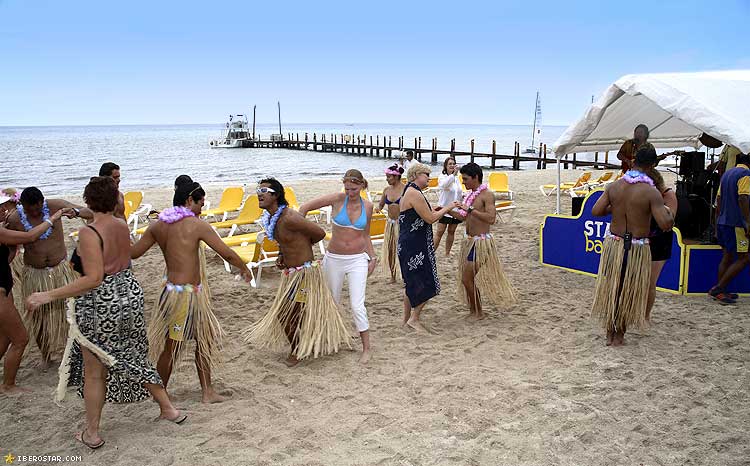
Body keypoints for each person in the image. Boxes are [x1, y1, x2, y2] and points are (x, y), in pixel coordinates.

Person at [25, 177, 185, 450]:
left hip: (103, 303)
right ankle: (169, 410)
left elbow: (93, 279)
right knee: (132, 354)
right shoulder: (121, 225)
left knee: (95, 370)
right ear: (114, 200)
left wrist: (47, 295)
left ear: (88, 201)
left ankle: (93, 433)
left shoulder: (90, 232)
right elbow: (127, 259)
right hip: (129, 294)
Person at [131, 181, 251, 403]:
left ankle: (207, 392)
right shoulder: (196, 225)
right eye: (201, 204)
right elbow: (227, 253)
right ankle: (160, 395)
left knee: (204, 339)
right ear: (189, 201)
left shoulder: (158, 225)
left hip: (176, 292)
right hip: (183, 298)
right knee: (172, 347)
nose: (202, 209)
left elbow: (134, 253)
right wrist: (244, 268)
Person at [243, 178, 350, 367]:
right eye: (258, 189)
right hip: (291, 273)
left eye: (264, 190)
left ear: (275, 195)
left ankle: (298, 350)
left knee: (286, 314)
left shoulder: (290, 217)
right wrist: (282, 253)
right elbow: (286, 240)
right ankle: (303, 345)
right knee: (293, 314)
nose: (259, 193)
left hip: (305, 274)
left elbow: (319, 233)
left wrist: (302, 249)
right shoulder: (272, 218)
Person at [591, 147, 674, 346]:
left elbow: (597, 210)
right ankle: (620, 336)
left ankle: (610, 333)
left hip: (614, 243)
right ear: (653, 165)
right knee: (629, 290)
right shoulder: (651, 192)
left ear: (633, 161)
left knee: (614, 288)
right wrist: (667, 211)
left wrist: (619, 207)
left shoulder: (614, 186)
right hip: (636, 247)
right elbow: (665, 224)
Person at [4, 187, 93, 367]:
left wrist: (75, 211)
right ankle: (46, 356)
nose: (36, 212)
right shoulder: (14, 219)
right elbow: (10, 244)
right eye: (31, 210)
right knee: (38, 317)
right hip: (34, 273)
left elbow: (89, 212)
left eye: (38, 208)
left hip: (60, 269)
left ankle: (74, 354)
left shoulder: (55, 206)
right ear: (23, 206)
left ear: (42, 202)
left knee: (70, 312)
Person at [299, 169, 376, 364]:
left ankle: (366, 348)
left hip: (358, 258)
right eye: (347, 188)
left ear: (362, 185)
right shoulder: (336, 199)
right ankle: (331, 337)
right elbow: (304, 208)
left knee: (357, 305)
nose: (350, 192)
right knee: (332, 301)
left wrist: (373, 257)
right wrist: (302, 237)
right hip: (334, 259)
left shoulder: (368, 206)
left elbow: (365, 234)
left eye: (354, 188)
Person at [0, 193, 64, 393]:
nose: (4, 210)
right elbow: (30, 237)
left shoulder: (3, 229)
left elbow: (9, 256)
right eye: (1, 207)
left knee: (5, 337)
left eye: (6, 206)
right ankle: (8, 385)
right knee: (20, 338)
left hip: (4, 287)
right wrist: (52, 219)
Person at [448, 162, 516, 321]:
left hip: (481, 243)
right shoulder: (471, 195)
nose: (463, 182)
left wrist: (470, 209)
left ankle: (478, 311)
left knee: (466, 278)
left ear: (476, 177)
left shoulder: (487, 195)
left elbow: (491, 219)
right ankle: (474, 310)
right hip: (469, 242)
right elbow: (464, 217)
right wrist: (447, 210)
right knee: (467, 279)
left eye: (465, 179)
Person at [398, 163, 459, 332]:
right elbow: (431, 219)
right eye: (426, 175)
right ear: (416, 175)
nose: (429, 178)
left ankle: (406, 321)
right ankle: (414, 318)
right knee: (427, 281)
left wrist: (435, 208)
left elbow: (420, 212)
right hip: (415, 244)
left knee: (410, 282)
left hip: (408, 243)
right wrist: (448, 207)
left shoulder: (410, 191)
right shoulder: (414, 193)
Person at [709, 152, 750, 304]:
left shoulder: (727, 174)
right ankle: (719, 288)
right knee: (745, 258)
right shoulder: (746, 174)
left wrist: (717, 221)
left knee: (727, 256)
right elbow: (743, 197)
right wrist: (748, 222)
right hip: (737, 223)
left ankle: (721, 292)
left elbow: (718, 200)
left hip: (723, 221)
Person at [645, 173, 678, 322]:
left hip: (660, 241)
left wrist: (656, 207)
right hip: (645, 239)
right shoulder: (649, 195)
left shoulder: (668, 194)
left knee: (650, 282)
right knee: (641, 280)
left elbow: (668, 221)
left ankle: (645, 316)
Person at [375, 164, 404, 283]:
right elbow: (381, 205)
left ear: (396, 177)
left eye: (389, 177)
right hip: (390, 224)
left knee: (403, 251)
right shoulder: (386, 190)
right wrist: (377, 209)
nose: (387, 179)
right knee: (391, 250)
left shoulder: (406, 189)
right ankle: (393, 275)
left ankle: (405, 276)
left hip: (402, 224)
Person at [433, 157, 463, 255]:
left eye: (453, 164)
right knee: (440, 231)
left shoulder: (457, 179)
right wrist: (453, 175)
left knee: (451, 231)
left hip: (455, 209)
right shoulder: (442, 176)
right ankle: (432, 252)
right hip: (444, 208)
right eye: (449, 164)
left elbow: (459, 191)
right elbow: (444, 185)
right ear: (445, 166)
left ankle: (447, 252)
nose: (452, 165)